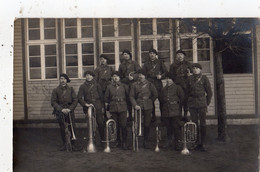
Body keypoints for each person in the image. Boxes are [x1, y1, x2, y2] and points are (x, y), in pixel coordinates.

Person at [187, 63, 212, 152]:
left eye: (197, 68)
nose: (195, 70)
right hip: (192, 103)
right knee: (194, 123)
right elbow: (187, 91)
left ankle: (203, 143)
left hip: (202, 103)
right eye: (193, 68)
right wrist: (188, 102)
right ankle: (196, 142)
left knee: (203, 123)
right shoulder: (189, 79)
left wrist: (206, 103)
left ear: (200, 69)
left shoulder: (204, 78)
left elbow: (209, 92)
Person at [129, 69, 158, 148]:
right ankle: (136, 141)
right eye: (139, 74)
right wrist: (135, 105)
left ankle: (146, 141)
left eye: (142, 75)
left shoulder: (150, 84)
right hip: (138, 106)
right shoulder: (134, 85)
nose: (140, 76)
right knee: (136, 123)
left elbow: (155, 94)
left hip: (148, 106)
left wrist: (150, 101)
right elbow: (131, 96)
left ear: (145, 76)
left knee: (147, 124)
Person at [51, 73, 78, 151]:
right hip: (60, 112)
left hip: (70, 111)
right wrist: (61, 109)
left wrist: (70, 109)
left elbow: (75, 100)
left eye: (64, 79)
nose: (63, 80)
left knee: (72, 127)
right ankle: (65, 144)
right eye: (61, 79)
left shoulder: (71, 89)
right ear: (59, 80)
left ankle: (73, 145)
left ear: (67, 80)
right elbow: (53, 102)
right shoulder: (55, 90)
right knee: (63, 128)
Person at [78, 71, 105, 147]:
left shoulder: (97, 85)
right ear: (85, 77)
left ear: (92, 77)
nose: (88, 77)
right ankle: (91, 140)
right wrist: (85, 104)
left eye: (90, 75)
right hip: (88, 107)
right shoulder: (82, 86)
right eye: (87, 75)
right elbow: (79, 98)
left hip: (98, 106)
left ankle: (102, 140)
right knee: (90, 124)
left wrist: (102, 107)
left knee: (100, 123)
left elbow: (101, 97)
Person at [104, 71, 129, 150]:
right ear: (112, 78)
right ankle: (117, 141)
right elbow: (106, 99)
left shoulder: (124, 86)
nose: (115, 78)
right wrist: (107, 111)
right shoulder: (109, 87)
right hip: (113, 108)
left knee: (124, 125)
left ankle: (124, 142)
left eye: (117, 76)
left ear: (119, 77)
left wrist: (128, 110)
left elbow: (128, 98)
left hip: (123, 107)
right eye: (114, 76)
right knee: (115, 126)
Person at [161, 72, 185, 150]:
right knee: (168, 127)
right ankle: (169, 141)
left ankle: (177, 143)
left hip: (175, 111)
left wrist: (178, 109)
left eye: (169, 78)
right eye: (167, 78)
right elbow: (162, 100)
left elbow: (182, 99)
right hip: (166, 111)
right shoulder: (164, 89)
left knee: (176, 127)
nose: (168, 80)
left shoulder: (178, 88)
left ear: (173, 80)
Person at [143, 48, 168, 122]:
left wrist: (161, 76)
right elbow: (144, 73)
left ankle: (163, 117)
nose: (152, 55)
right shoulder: (146, 63)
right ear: (149, 55)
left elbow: (165, 72)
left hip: (158, 83)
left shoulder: (160, 62)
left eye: (153, 53)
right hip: (150, 84)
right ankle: (153, 116)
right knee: (151, 101)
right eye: (150, 53)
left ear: (156, 55)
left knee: (161, 100)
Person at [169, 50, 192, 121]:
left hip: (186, 85)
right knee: (178, 101)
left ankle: (185, 116)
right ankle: (178, 116)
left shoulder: (188, 64)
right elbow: (171, 76)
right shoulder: (173, 65)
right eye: (178, 54)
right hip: (177, 85)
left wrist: (189, 75)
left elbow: (192, 74)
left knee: (186, 101)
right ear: (176, 56)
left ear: (184, 56)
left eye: (181, 54)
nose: (180, 56)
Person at [119, 50, 141, 122]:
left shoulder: (134, 63)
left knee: (134, 99)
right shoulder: (121, 65)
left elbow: (140, 73)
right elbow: (120, 75)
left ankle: (136, 116)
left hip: (134, 84)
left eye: (127, 54)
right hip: (125, 84)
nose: (125, 56)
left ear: (130, 55)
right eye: (124, 54)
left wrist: (133, 77)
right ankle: (130, 116)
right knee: (128, 100)